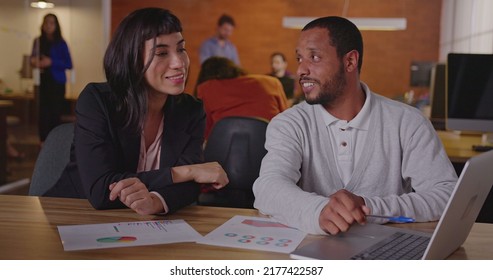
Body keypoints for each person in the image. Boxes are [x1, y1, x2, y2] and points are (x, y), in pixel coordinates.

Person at [252, 16, 458, 235]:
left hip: (387, 258)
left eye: (314, 57)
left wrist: (367, 207)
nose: (302, 70)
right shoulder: (289, 123)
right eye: (300, 58)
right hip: (310, 257)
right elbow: (268, 188)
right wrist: (319, 211)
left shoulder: (408, 122)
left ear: (349, 61)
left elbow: (447, 195)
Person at [43, 8, 229, 215]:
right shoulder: (97, 100)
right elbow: (101, 190)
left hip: (141, 227)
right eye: (161, 53)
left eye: (181, 49)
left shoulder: (191, 110)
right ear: (132, 59)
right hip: (71, 215)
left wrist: (155, 202)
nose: (179, 63)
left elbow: (190, 186)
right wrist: (186, 171)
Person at [195, 56, 288, 139]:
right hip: (273, 151)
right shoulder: (272, 83)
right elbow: (287, 122)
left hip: (225, 154)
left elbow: (205, 134)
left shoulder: (206, 89)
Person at [30, 13, 73, 143]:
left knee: (55, 113)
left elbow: (69, 64)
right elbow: (32, 58)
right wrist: (35, 62)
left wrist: (52, 62)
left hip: (56, 83)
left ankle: (56, 142)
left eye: (51, 23)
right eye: (46, 23)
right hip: (42, 81)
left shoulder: (61, 42)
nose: (48, 26)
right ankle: (42, 141)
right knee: (42, 112)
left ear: (56, 25)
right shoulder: (38, 41)